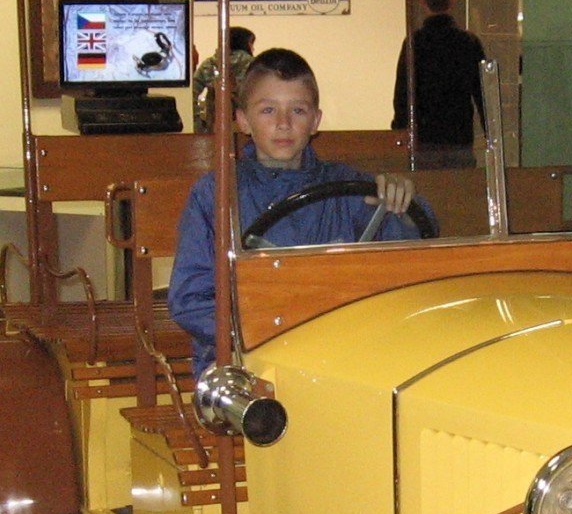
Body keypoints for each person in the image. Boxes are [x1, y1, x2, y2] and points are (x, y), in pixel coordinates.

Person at [171, 48, 421, 368]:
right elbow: (190, 298)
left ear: (315, 121)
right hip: (245, 357)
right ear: (243, 120)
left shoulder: (350, 189)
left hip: (336, 353)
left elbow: (402, 264)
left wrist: (400, 204)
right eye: (268, 110)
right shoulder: (216, 195)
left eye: (298, 111)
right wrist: (256, 336)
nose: (284, 124)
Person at [392, 0, 487, 168]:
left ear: (422, 2)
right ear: (452, 0)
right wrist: (490, 133)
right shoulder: (468, 43)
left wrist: (400, 129)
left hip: (424, 140)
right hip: (459, 139)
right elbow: (482, 94)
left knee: (427, 186)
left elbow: (402, 93)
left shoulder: (414, 43)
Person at [193, 25, 256, 126]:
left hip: (215, 123)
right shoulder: (254, 66)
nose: (253, 48)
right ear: (246, 44)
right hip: (246, 124)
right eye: (251, 44)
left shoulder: (209, 64)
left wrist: (198, 122)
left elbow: (192, 93)